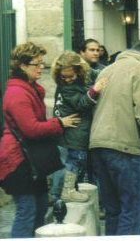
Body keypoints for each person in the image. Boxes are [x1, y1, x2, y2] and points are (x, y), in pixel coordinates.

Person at [0, 42, 81, 238]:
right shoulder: (18, 93)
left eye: (42, 63)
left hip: (30, 160)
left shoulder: (30, 89)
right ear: (22, 66)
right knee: (27, 211)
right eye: (36, 64)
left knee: (41, 206)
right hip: (17, 161)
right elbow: (32, 129)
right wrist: (59, 123)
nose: (41, 68)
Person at [89, 40, 140, 236]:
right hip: (124, 146)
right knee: (133, 210)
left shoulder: (106, 70)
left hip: (98, 144)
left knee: (113, 210)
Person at [51, 52, 108, 203]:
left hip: (75, 133)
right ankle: (68, 191)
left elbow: (97, 73)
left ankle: (68, 190)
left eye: (71, 76)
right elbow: (82, 103)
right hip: (74, 134)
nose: (68, 80)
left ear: (79, 71)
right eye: (64, 77)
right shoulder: (67, 88)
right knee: (74, 162)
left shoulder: (82, 79)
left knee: (75, 162)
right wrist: (95, 90)